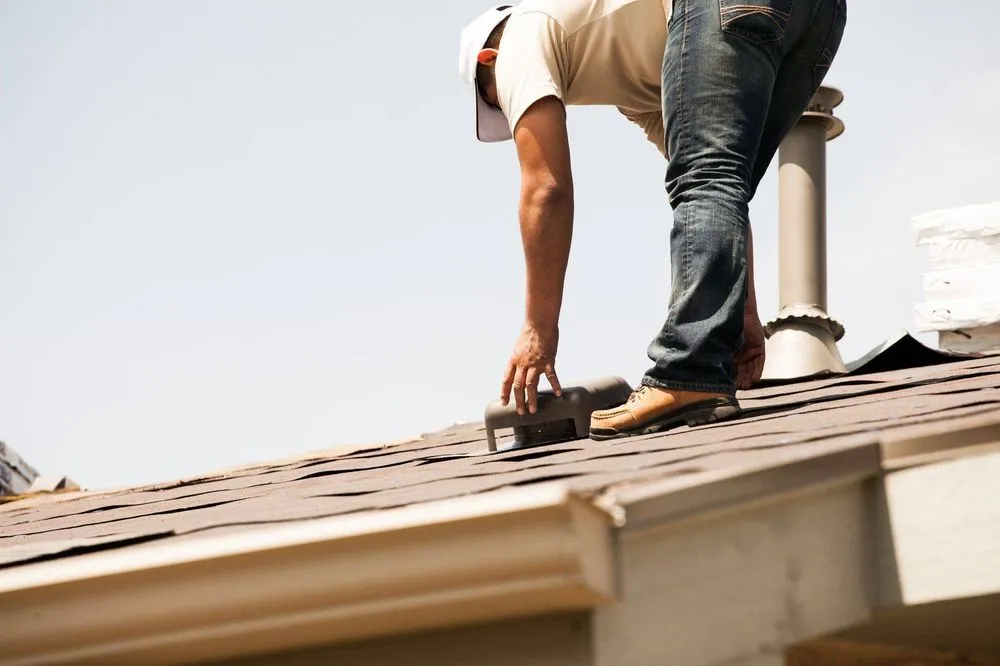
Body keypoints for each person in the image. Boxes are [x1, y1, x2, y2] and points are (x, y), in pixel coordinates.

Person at [458, 0, 846, 439]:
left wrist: (537, 330)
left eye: (500, 100)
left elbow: (546, 189)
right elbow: (719, 190)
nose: (513, 110)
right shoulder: (638, 85)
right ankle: (699, 365)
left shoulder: (522, 34)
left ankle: (687, 372)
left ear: (489, 61)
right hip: (817, 18)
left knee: (707, 174)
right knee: (719, 174)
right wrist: (742, 313)